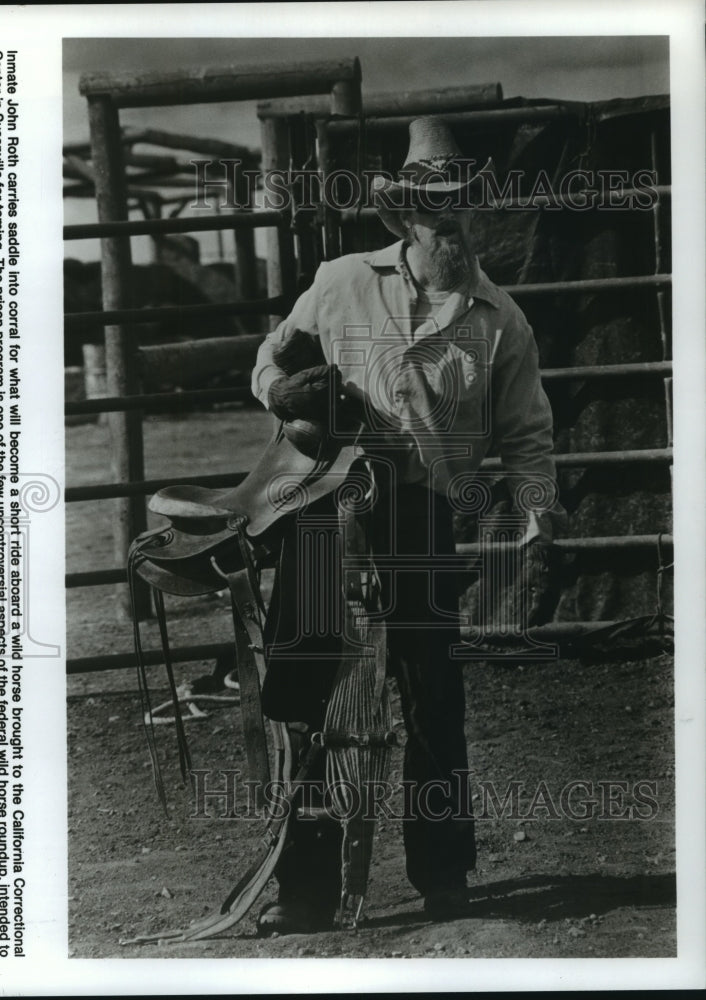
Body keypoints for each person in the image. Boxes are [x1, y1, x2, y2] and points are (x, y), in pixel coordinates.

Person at [249, 116, 566, 934]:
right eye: (434, 206)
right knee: (307, 683)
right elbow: (272, 358)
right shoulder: (342, 280)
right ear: (404, 217)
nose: (450, 220)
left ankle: (445, 875)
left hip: (422, 512)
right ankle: (305, 888)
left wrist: (533, 520)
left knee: (431, 695)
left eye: (464, 204)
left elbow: (529, 435)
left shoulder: (503, 322)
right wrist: (282, 395)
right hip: (325, 503)